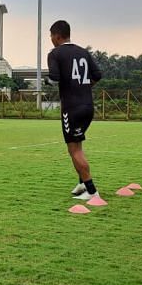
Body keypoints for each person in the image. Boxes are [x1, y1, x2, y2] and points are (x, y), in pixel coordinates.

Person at [46, 20, 103, 201]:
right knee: (77, 145)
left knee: (74, 149)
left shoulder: (55, 53)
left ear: (56, 35)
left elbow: (54, 77)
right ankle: (82, 183)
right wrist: (84, 87)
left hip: (71, 108)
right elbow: (98, 75)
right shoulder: (83, 52)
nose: (51, 40)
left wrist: (47, 81)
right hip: (88, 106)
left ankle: (92, 191)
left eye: (51, 36)